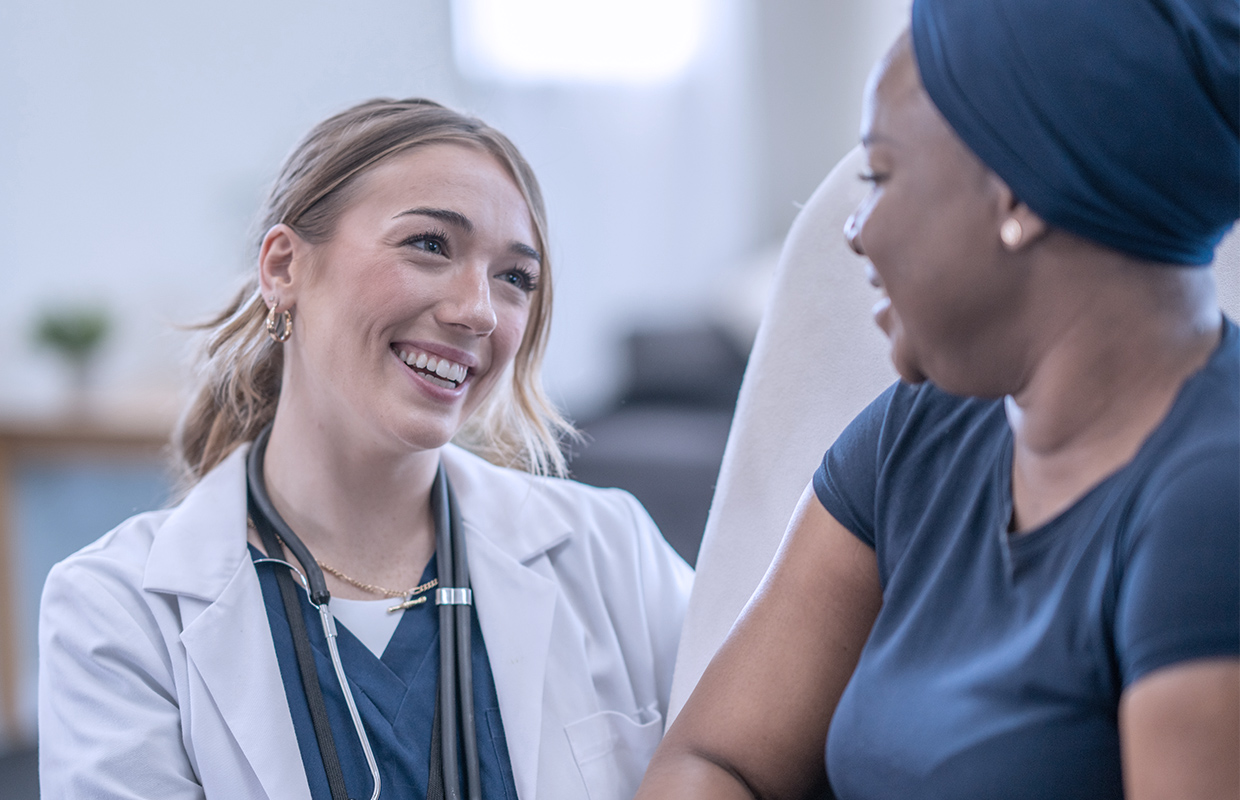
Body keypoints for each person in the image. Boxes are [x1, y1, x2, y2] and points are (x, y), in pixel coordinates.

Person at [636, 0, 1239, 797]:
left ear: (1017, 195)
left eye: (881, 175)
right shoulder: (922, 429)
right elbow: (717, 761)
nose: (854, 230)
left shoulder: (1209, 501)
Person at [39, 98, 692, 800]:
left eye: (515, 278)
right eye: (430, 245)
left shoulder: (611, 552)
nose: (477, 309)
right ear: (283, 267)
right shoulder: (118, 612)